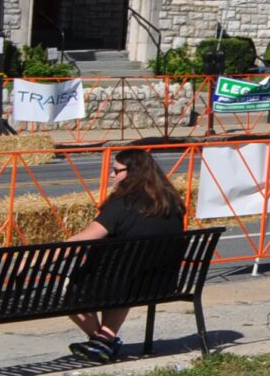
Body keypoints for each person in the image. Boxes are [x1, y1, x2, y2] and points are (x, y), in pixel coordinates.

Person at [64, 147, 185, 364]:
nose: (111, 175)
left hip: (119, 284)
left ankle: (99, 340)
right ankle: (105, 339)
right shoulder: (171, 202)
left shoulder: (121, 204)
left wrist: (36, 259)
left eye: (116, 170)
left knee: (72, 292)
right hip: (159, 284)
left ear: (133, 173)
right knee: (123, 280)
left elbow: (88, 236)